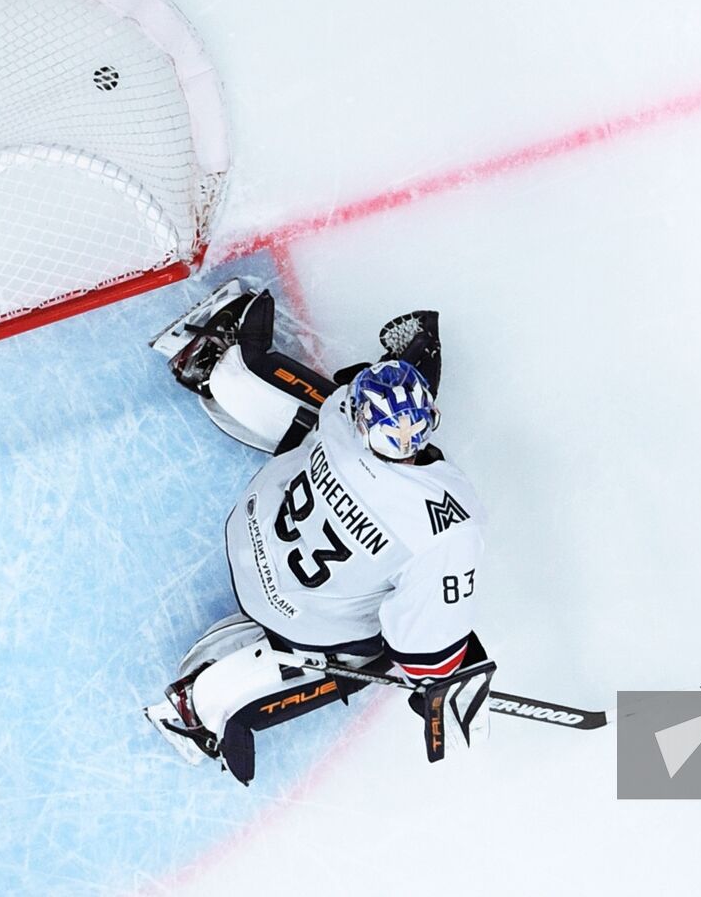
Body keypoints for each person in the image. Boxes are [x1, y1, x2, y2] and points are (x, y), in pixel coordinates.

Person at [143, 281, 491, 784]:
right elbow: (425, 653)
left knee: (312, 415)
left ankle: (221, 366)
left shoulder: (344, 412)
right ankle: (208, 703)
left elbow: (370, 388)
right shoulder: (445, 529)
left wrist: (406, 365)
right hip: (298, 618)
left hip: (251, 530)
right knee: (381, 653)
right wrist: (444, 679)